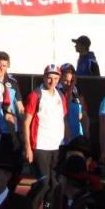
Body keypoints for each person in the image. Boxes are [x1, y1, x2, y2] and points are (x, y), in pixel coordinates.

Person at [23, 64, 68, 199]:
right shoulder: (36, 95)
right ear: (44, 77)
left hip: (57, 146)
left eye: (55, 78)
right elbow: (26, 122)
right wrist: (28, 148)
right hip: (41, 146)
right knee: (44, 184)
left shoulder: (61, 95)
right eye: (49, 78)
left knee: (54, 185)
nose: (52, 81)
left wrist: (67, 143)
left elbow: (64, 120)